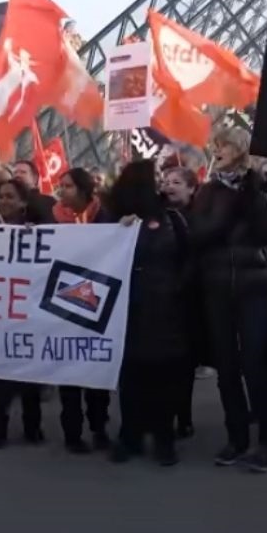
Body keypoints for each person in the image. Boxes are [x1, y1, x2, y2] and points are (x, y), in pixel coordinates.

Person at [190, 126, 267, 473]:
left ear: (241, 149)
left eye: (225, 145)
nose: (217, 151)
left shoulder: (266, 185)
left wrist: (254, 189)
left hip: (256, 286)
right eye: (215, 145)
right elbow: (198, 233)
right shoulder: (208, 191)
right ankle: (237, 437)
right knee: (226, 367)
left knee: (254, 365)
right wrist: (226, 207)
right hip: (218, 286)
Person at [105, 161, 192, 466]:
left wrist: (177, 288)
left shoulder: (171, 217)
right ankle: (131, 435)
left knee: (164, 375)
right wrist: (118, 233)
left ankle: (164, 438)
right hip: (128, 307)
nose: (162, 183)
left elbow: (188, 257)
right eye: (156, 177)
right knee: (132, 375)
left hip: (166, 308)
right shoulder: (113, 216)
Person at [0, 179, 46, 448]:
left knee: (29, 375)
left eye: (10, 197)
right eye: (1, 196)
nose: (4, 201)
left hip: (26, 312)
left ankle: (33, 427)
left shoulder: (36, 231)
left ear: (23, 202)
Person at [53, 167, 111, 452]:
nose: (62, 191)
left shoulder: (105, 216)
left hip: (96, 300)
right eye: (61, 185)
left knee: (96, 371)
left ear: (85, 190)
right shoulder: (53, 218)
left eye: (68, 186)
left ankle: (99, 427)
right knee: (69, 371)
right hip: (63, 303)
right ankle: (72, 433)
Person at [161, 164, 207, 437]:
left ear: (191, 188)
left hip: (191, 296)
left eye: (176, 181)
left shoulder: (200, 216)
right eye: (166, 181)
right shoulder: (155, 214)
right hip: (162, 296)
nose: (169, 186)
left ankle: (183, 415)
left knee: (185, 361)